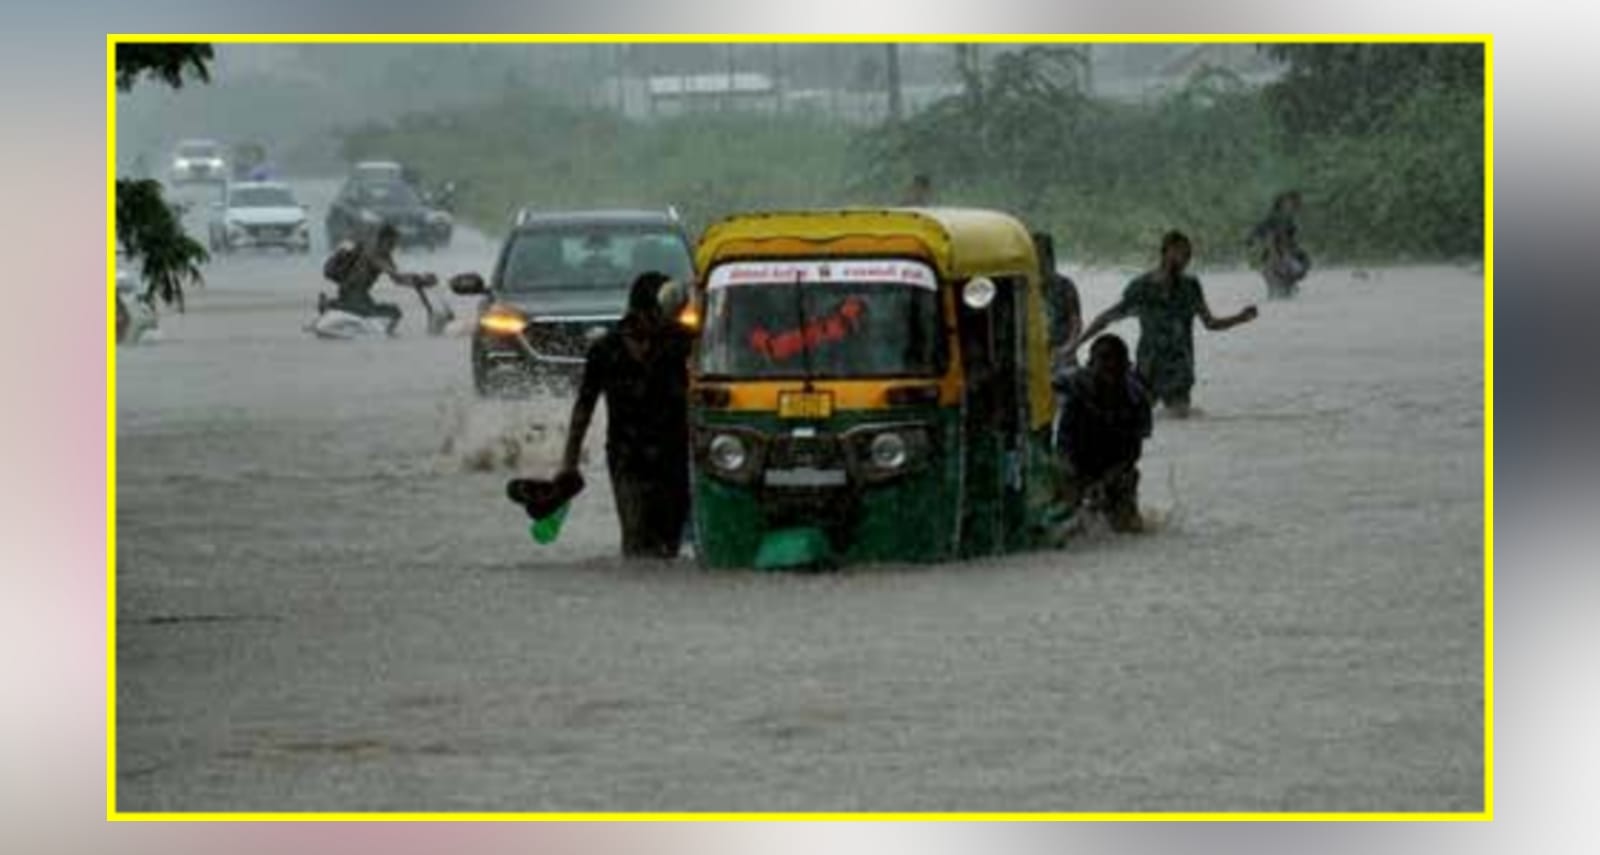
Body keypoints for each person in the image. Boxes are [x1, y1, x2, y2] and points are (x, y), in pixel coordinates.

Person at [558, 271, 694, 560]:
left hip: (674, 458)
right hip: (626, 458)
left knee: (669, 544)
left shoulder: (683, 344)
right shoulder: (605, 351)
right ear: (645, 310)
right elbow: (584, 408)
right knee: (636, 542)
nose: (671, 318)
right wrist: (569, 463)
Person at [1063, 230, 1257, 418]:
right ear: (1166, 251)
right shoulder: (1142, 287)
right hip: (1148, 369)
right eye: (1181, 253)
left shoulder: (1190, 287)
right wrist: (1077, 344)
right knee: (1143, 420)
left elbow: (1211, 323)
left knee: (1179, 420)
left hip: (1179, 370)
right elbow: (1107, 317)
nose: (1185, 260)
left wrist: (1239, 318)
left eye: (1188, 255)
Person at [1055, 334, 1153, 533]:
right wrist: (1070, 470)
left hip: (1116, 468)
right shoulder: (1076, 387)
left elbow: (1132, 453)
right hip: (1076, 462)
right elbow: (1063, 442)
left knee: (1128, 528)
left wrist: (1107, 480)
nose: (1109, 370)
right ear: (1091, 365)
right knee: (1065, 525)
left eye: (1115, 364)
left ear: (1125, 367)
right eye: (1104, 362)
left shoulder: (1136, 399)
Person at [323, 223, 423, 336]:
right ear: (383, 240)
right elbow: (393, 273)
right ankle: (332, 305)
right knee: (391, 313)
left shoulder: (386, 256)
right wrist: (416, 277)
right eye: (391, 243)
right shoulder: (372, 253)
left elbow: (397, 280)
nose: (393, 247)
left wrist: (418, 282)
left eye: (394, 244)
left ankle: (381, 334)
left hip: (362, 294)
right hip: (351, 292)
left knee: (393, 312)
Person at [1250, 190, 1311, 299]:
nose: (1291, 205)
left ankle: (1284, 286)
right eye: (1288, 203)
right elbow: (1271, 237)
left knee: (1283, 285)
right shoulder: (1277, 217)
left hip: (1281, 254)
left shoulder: (1287, 217)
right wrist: (1277, 255)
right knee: (1280, 284)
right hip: (1276, 254)